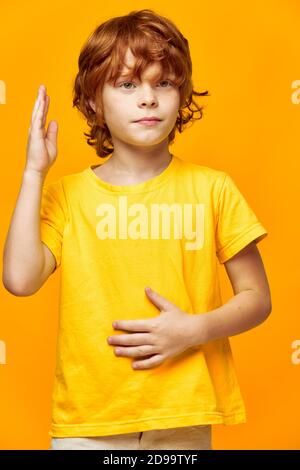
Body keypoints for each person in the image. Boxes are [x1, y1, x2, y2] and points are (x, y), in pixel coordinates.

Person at [2, 9, 272, 451]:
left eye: (162, 83)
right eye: (127, 84)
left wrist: (193, 330)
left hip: (182, 414)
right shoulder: (67, 197)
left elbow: (258, 299)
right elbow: (19, 279)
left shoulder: (212, 188)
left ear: (180, 94)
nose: (147, 97)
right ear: (94, 102)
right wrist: (35, 171)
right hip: (89, 422)